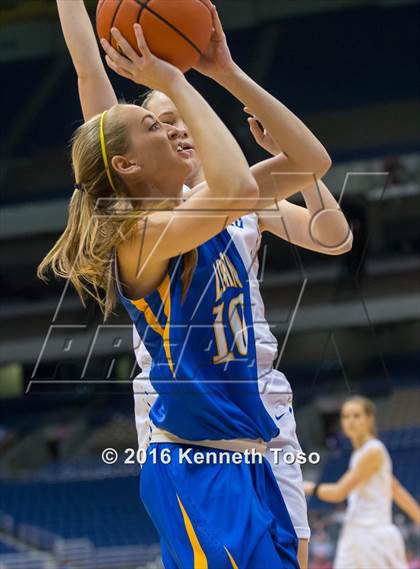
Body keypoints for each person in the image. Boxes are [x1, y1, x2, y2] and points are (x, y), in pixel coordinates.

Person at [55, 2, 350, 567]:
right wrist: (171, 77)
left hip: (254, 436)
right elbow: (91, 74)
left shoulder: (211, 207)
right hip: (192, 451)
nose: (172, 129)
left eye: (178, 120)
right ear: (128, 165)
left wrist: (226, 72)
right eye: (155, 124)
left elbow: (312, 160)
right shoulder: (140, 233)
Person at [305, 396, 420, 569]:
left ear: (369, 419)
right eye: (346, 416)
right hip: (361, 535)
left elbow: (338, 492)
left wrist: (304, 486)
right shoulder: (363, 453)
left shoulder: (373, 451)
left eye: (356, 415)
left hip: (370, 536)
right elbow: (395, 489)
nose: (350, 421)